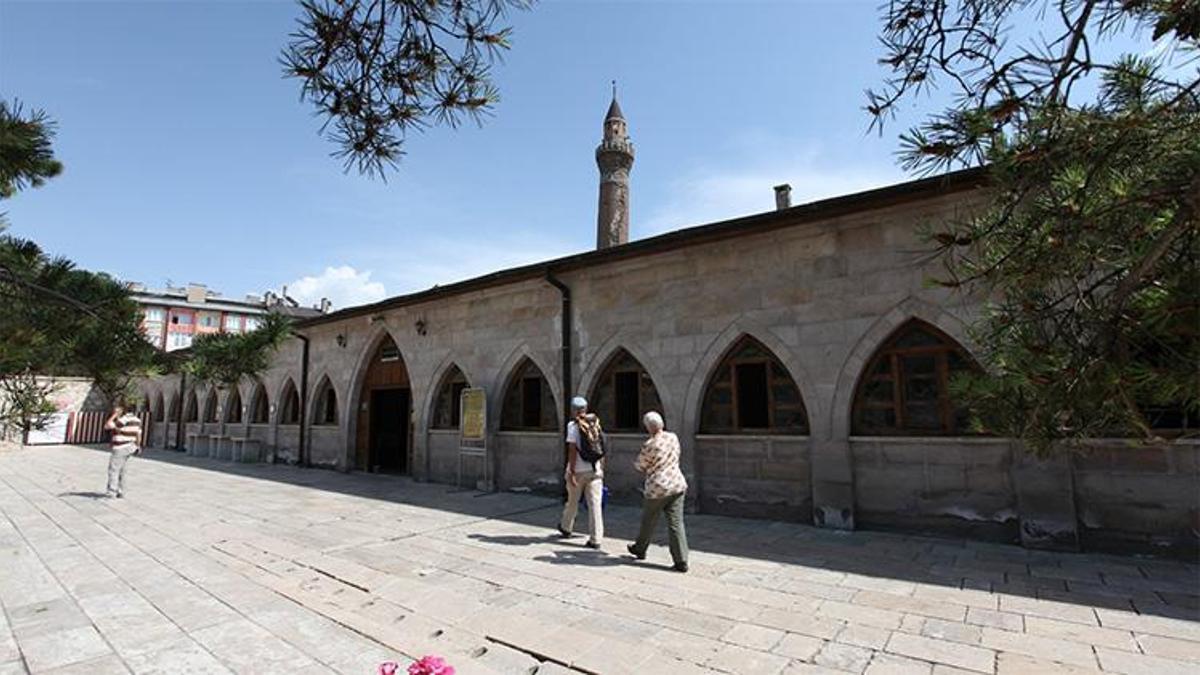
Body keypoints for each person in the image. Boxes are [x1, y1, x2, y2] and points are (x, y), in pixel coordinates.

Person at [627, 411, 689, 572]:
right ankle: (681, 559)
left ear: (649, 427)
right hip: (677, 484)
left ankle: (640, 548)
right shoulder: (673, 437)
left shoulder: (650, 444)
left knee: (649, 520)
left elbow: (641, 465)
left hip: (657, 488)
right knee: (676, 523)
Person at [557, 396, 606, 549]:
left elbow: (572, 449)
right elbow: (602, 447)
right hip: (595, 469)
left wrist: (571, 471)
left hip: (578, 471)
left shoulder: (573, 426)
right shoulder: (595, 422)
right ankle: (596, 539)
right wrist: (602, 467)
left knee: (572, 501)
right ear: (585, 408)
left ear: (573, 410)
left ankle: (566, 527)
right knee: (595, 504)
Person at [103, 400, 142, 498]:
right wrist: (138, 446)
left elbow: (107, 426)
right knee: (123, 470)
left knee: (114, 469)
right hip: (130, 446)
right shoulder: (137, 420)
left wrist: (114, 415)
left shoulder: (124, 419)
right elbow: (138, 434)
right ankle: (121, 491)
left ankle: (112, 491)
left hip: (121, 447)